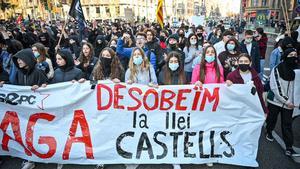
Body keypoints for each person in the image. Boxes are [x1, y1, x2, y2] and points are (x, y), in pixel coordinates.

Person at [11, 48, 48, 169]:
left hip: (37, 110)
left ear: (27, 59)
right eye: (17, 60)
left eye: (21, 59)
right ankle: (28, 157)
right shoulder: (18, 72)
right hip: (24, 110)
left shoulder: (38, 73)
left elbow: (48, 89)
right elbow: (15, 88)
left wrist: (42, 87)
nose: (19, 62)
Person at [191, 45, 224, 167]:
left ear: (215, 55)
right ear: (204, 55)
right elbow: (192, 85)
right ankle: (198, 152)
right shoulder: (198, 68)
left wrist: (228, 84)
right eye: (208, 52)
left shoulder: (219, 68)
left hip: (214, 105)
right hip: (201, 104)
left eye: (212, 53)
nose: (210, 54)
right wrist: (197, 83)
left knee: (211, 131)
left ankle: (209, 154)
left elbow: (222, 85)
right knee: (200, 130)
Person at [265, 48, 300, 157]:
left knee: (287, 124)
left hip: (290, 104)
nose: (293, 57)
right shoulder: (277, 69)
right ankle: (269, 131)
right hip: (276, 101)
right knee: (272, 119)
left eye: (295, 54)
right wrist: (286, 100)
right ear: (285, 56)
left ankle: (289, 147)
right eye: (290, 55)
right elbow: (276, 87)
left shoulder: (298, 71)